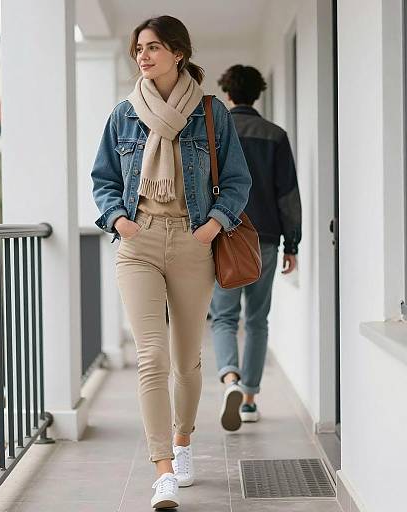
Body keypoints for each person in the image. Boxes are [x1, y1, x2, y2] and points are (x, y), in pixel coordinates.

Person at [91, 16, 251, 509]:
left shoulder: (210, 112)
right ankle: (162, 468)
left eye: (154, 47)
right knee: (151, 358)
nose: (143, 55)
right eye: (138, 48)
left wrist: (211, 226)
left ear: (178, 52)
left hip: (191, 241)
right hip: (137, 243)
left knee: (186, 360)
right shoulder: (124, 115)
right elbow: (104, 179)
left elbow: (239, 180)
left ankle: (183, 443)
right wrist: (120, 221)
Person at [210, 64, 302, 432]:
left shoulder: (215, 133)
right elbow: (288, 196)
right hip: (264, 239)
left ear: (228, 95)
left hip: (224, 237)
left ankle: (229, 379)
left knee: (224, 317)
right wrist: (292, 243)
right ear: (258, 93)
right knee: (257, 319)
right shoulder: (275, 135)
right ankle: (249, 400)